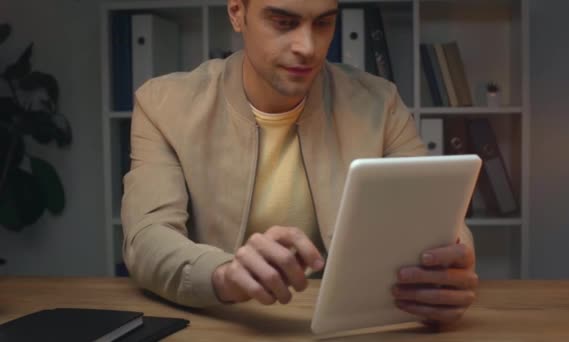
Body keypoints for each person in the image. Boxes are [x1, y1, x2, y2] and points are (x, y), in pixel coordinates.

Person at [121, 0, 478, 326]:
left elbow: (437, 218)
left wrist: (453, 261)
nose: (308, 47)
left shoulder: (380, 104)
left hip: (349, 327)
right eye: (282, 22)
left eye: (323, 23)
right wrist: (225, 274)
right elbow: (147, 238)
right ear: (236, 12)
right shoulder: (163, 105)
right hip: (221, 324)